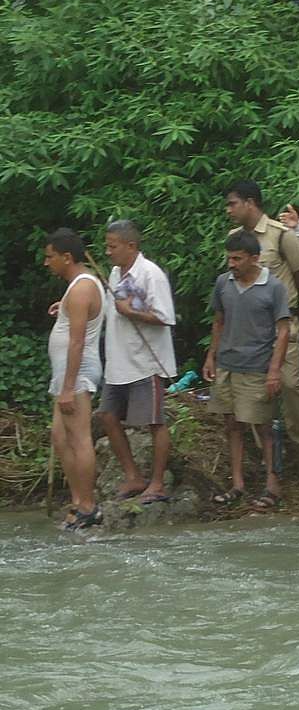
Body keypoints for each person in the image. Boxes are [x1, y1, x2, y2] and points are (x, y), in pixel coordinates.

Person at [223, 180, 299, 471]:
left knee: (291, 384)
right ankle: (267, 454)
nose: (229, 210)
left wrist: (296, 312)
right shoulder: (234, 238)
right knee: (252, 389)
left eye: (233, 203)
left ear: (250, 202)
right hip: (248, 327)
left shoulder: (282, 236)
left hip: (283, 322)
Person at [203, 229, 291, 509]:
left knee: (264, 426)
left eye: (237, 259)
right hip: (228, 364)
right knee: (232, 424)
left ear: (255, 258)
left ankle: (272, 484)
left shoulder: (273, 287)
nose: (232, 264)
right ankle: (237, 484)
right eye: (229, 258)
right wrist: (211, 356)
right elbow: (219, 321)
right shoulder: (223, 283)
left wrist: (275, 370)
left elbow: (284, 330)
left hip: (257, 366)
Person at [99, 220, 178, 503]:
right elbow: (110, 310)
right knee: (107, 416)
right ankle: (133, 476)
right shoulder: (115, 273)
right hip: (118, 361)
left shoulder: (150, 274)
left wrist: (132, 313)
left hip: (146, 362)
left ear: (131, 245)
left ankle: (157, 484)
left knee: (155, 421)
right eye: (107, 246)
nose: (108, 252)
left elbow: (165, 317)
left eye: (113, 246)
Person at [43, 229, 107, 530]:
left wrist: (69, 386)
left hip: (77, 373)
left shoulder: (82, 288)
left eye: (50, 256)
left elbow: (78, 342)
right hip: (67, 374)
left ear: (66, 257)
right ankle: (77, 500)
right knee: (60, 436)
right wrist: (63, 309)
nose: (47, 263)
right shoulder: (76, 289)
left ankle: (88, 506)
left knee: (79, 438)